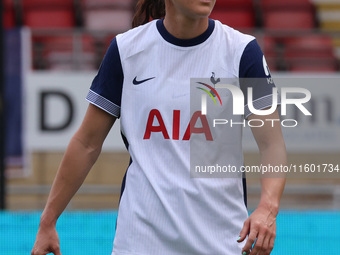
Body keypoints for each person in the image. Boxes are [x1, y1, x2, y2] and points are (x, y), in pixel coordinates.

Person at [31, 0, 286, 255]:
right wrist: (48, 220)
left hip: (222, 242)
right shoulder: (125, 50)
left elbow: (272, 144)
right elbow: (86, 144)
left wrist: (268, 207)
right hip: (140, 242)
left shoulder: (243, 51)